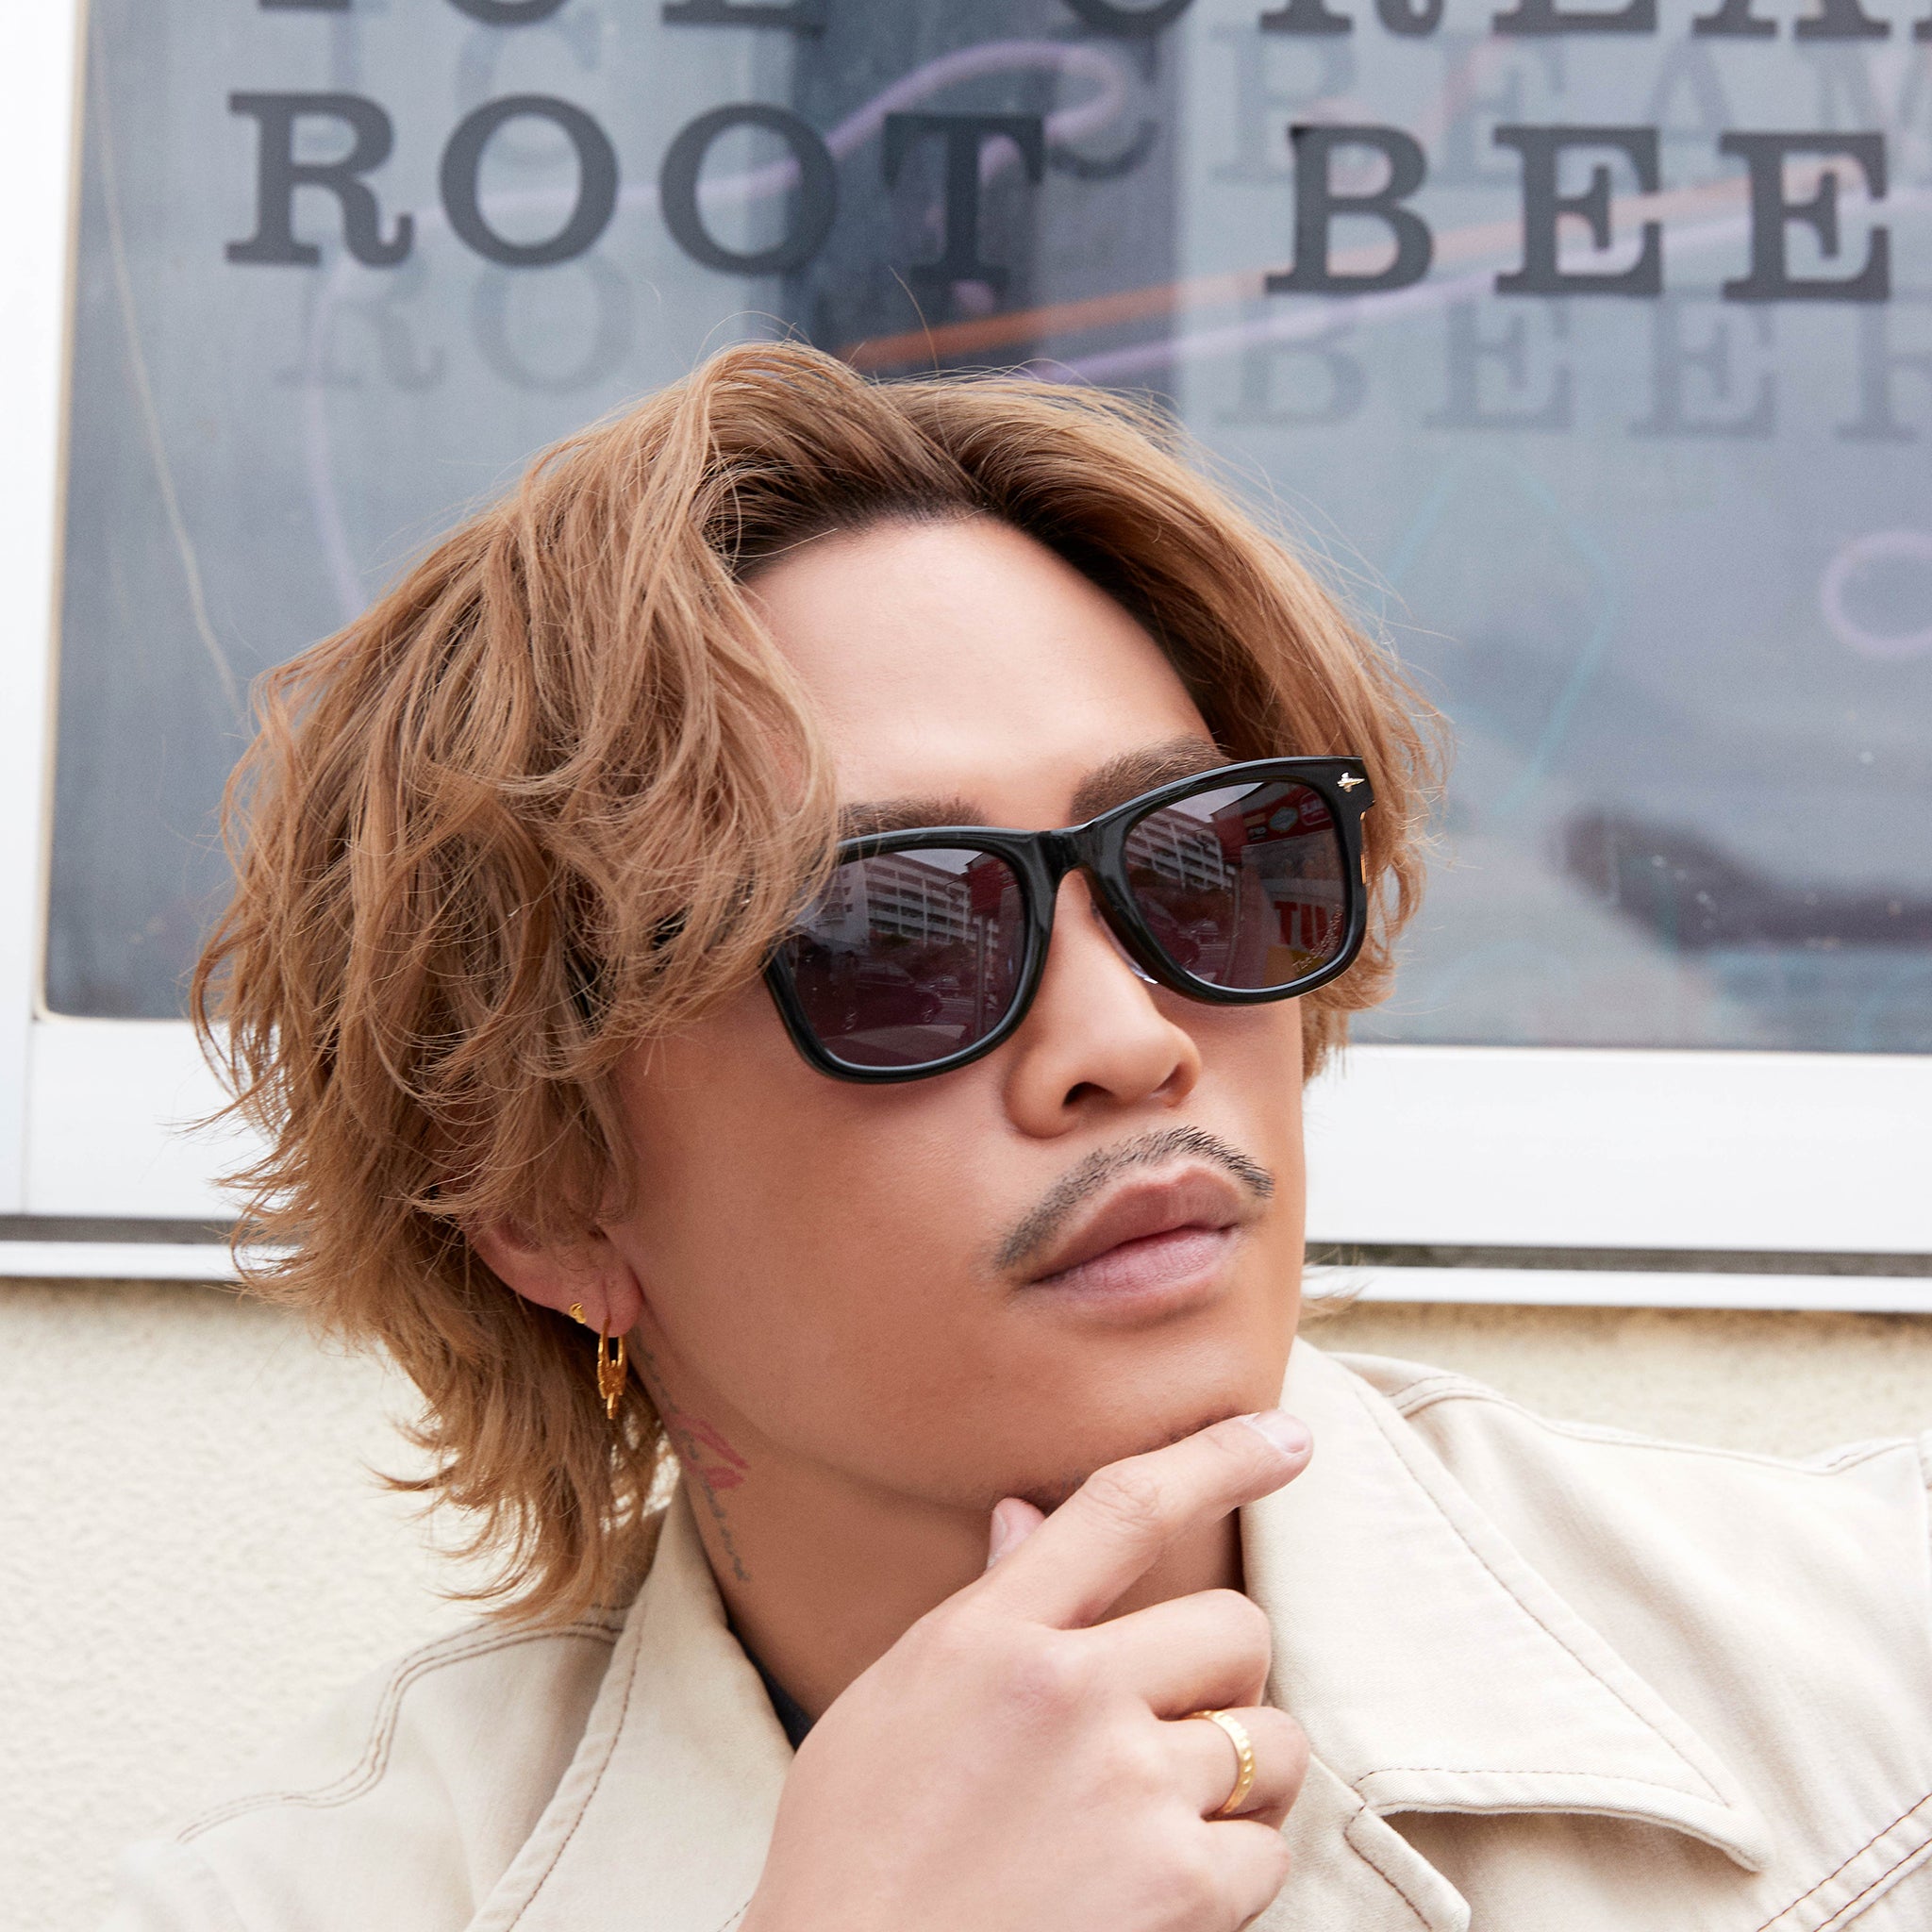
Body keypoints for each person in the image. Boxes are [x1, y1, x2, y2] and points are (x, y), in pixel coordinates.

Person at [109, 343, 1930, 1932]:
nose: (1130, 1040)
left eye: (1203, 869)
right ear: (548, 1193)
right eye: (896, 935)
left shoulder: (1869, 1689)